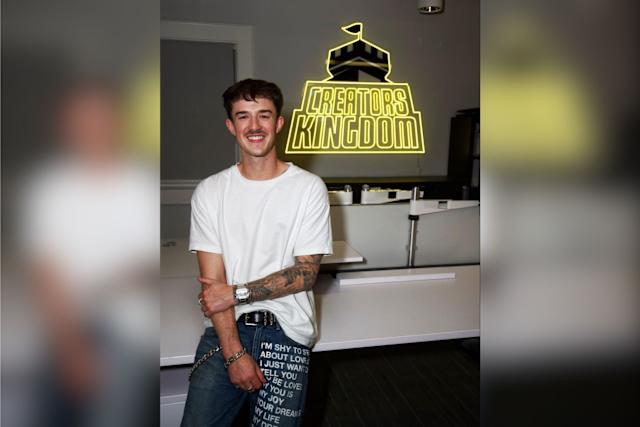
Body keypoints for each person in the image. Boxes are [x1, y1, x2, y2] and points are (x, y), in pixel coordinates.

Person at [181, 79, 333, 427]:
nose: (254, 126)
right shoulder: (210, 192)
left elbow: (306, 273)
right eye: (243, 116)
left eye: (264, 115)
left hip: (286, 331)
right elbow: (213, 286)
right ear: (230, 126)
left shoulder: (309, 188)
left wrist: (236, 293)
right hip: (226, 329)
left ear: (278, 123)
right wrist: (234, 353)